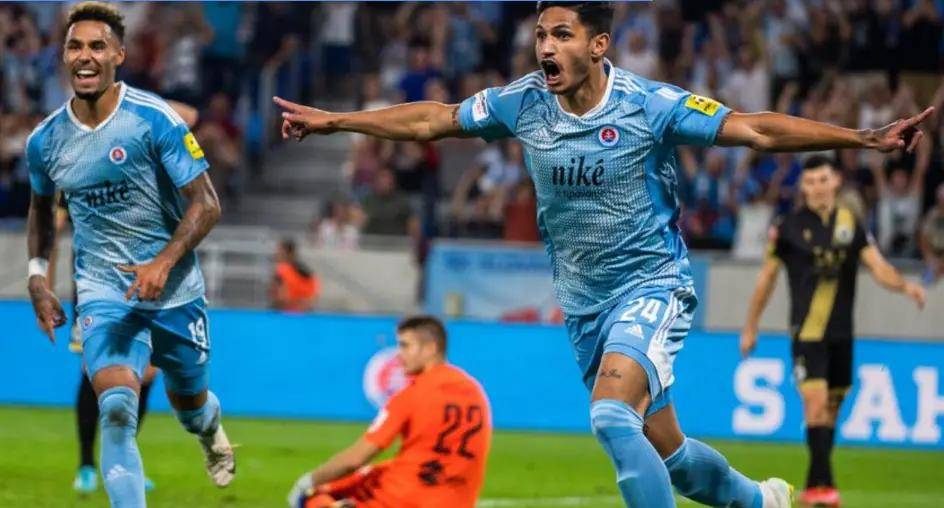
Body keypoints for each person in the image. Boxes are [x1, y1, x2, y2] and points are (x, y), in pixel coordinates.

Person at [273, 2, 933, 506]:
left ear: (598, 44)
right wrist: (337, 121)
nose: (546, 47)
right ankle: (761, 500)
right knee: (669, 454)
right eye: (540, 35)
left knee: (613, 416)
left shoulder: (650, 106)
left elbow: (754, 130)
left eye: (562, 35)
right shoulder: (524, 102)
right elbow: (434, 119)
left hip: (652, 285)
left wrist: (861, 138)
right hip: (585, 307)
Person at [25, 3, 234, 506]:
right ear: (63, 56)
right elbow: (40, 211)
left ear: (119, 54)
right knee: (117, 409)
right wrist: (37, 277)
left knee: (190, 406)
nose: (85, 56)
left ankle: (209, 429)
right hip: (102, 291)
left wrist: (163, 263)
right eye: (75, 46)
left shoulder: (152, 118)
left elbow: (207, 203)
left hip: (174, 290)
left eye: (97, 46)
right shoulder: (45, 140)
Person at [740, 156, 926, 507]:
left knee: (830, 413)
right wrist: (750, 326)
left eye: (822, 180)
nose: (816, 188)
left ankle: (814, 485)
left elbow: (878, 266)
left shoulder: (850, 223)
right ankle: (825, 489)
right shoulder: (787, 226)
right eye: (810, 182)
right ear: (803, 186)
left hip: (842, 335)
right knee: (815, 405)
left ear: (835, 181)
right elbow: (766, 278)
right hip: (807, 334)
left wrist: (906, 287)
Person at [52, 98, 200, 494]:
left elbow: (190, 116)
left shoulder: (146, 153)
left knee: (146, 372)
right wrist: (44, 281)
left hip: (148, 277)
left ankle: (121, 459)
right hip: (97, 279)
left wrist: (133, 98)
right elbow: (53, 226)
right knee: (94, 370)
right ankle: (87, 464)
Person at [287, 316, 492, 508]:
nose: (399, 355)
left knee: (316, 495)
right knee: (378, 471)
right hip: (457, 501)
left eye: (405, 346)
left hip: (402, 500)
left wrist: (308, 481)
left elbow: (355, 459)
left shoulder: (414, 394)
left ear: (430, 348)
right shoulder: (476, 393)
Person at [271, 238, 320, 312]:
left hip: (286, 311)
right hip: (304, 311)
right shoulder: (306, 270)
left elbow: (280, 296)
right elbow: (314, 295)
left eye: (279, 251)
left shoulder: (282, 270)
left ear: (289, 253)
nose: (276, 254)